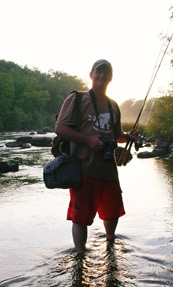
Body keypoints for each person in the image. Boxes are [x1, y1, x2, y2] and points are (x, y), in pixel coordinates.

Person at [55, 59, 140, 254]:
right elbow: (60, 128)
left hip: (109, 171)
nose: (101, 76)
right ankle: (80, 256)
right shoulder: (77, 99)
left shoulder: (113, 105)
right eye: (98, 72)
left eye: (106, 73)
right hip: (83, 170)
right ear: (91, 74)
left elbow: (117, 135)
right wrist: (87, 140)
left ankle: (110, 246)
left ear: (111, 77)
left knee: (112, 213)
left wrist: (128, 136)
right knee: (80, 218)